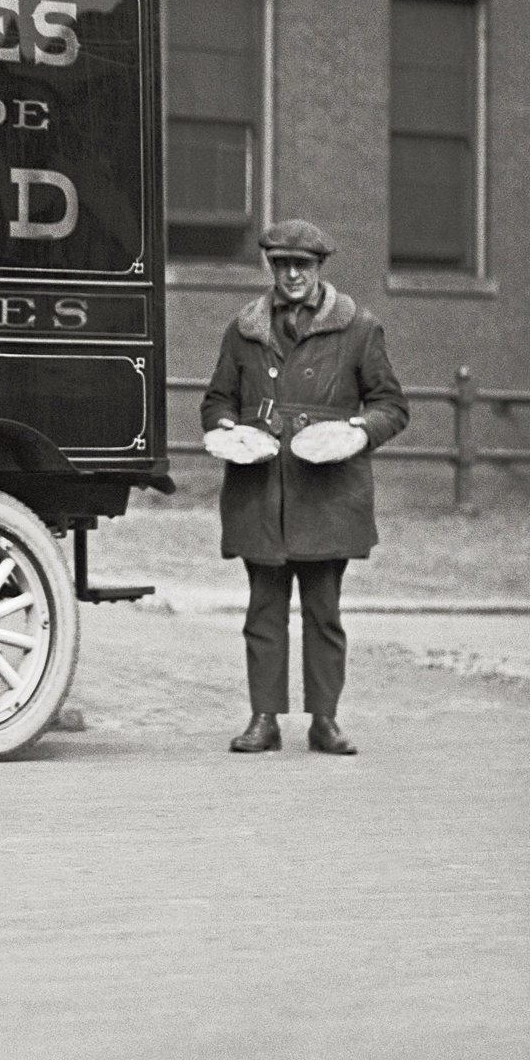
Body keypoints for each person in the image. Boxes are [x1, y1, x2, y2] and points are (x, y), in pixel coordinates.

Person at [199, 220, 408, 755]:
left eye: (303, 265)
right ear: (271, 267)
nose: (292, 275)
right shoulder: (244, 328)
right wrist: (226, 427)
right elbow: (217, 399)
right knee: (263, 612)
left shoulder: (359, 327)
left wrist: (358, 431)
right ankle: (263, 720)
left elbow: (391, 405)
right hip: (260, 490)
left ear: (319, 268)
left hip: (328, 493)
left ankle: (325, 721)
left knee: (324, 612)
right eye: (282, 265)